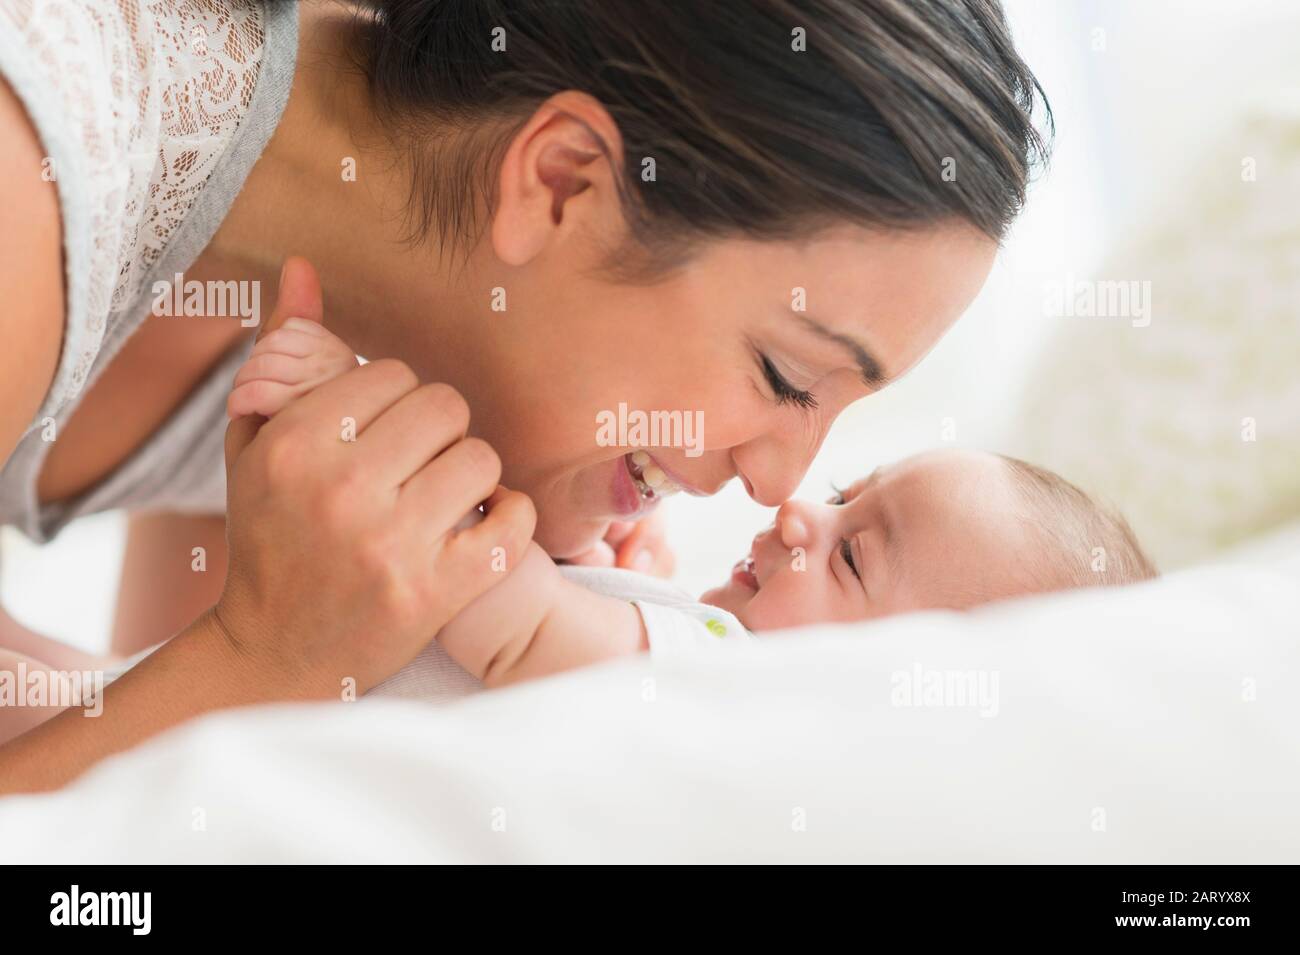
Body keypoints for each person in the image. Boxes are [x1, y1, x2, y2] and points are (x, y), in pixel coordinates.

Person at [0, 0, 1049, 790]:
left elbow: (145, 759)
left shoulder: (337, 342)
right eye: (784, 376)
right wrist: (262, 655)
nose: (778, 480)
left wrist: (380, 647)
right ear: (560, 182)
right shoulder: (29, 183)